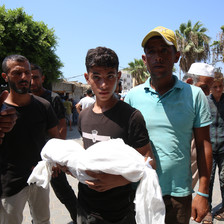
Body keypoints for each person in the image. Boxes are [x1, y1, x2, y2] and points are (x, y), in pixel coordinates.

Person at [124, 26, 213, 224]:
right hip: (141, 191)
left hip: (178, 195)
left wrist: (203, 192)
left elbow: (203, 144)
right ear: (144, 58)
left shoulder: (195, 95)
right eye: (152, 51)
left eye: (165, 50)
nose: (158, 56)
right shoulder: (132, 97)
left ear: (177, 56)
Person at [76, 46, 155, 224]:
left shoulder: (131, 116)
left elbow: (149, 163)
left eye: (110, 76)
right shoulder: (83, 116)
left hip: (119, 211)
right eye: (96, 77)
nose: (104, 85)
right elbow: (86, 153)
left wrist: (119, 180)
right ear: (87, 78)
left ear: (118, 77)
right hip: (85, 207)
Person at [0, 54, 60, 224]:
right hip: (9, 182)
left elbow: (54, 138)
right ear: (5, 76)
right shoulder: (2, 109)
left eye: (27, 73)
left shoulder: (44, 105)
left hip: (39, 177)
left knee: (42, 220)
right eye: (17, 73)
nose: (25, 77)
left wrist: (55, 162)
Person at [30, 64, 78, 223]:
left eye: (35, 77)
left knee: (63, 191)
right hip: (32, 157)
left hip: (51, 156)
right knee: (34, 194)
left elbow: (62, 127)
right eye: (29, 77)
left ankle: (79, 219)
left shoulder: (52, 98)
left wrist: (57, 158)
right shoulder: (24, 98)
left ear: (42, 78)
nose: (31, 81)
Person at [182, 62, 215, 189]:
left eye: (209, 88)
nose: (207, 93)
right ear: (190, 82)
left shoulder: (201, 104)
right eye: (205, 87)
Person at [203, 72, 224, 223]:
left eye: (220, 86)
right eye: (215, 86)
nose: (218, 89)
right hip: (209, 148)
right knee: (208, 180)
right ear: (210, 88)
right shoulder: (204, 102)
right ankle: (207, 210)